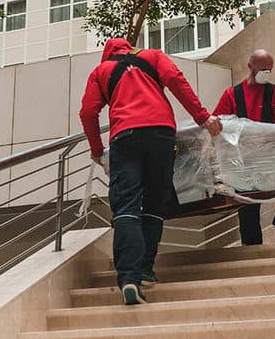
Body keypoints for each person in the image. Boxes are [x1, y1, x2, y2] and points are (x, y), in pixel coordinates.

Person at [80, 38, 222, 305]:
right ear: (129, 46)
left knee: (126, 207)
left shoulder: (101, 72)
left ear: (107, 54)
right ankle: (145, 270)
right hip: (161, 135)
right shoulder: (153, 56)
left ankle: (129, 278)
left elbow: (88, 112)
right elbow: (178, 82)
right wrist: (202, 117)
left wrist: (97, 150)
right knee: (155, 203)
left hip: (125, 138)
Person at [212, 48, 275, 244]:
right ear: (250, 66)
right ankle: (251, 245)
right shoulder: (232, 94)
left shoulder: (274, 91)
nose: (265, 73)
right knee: (246, 200)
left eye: (269, 70)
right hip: (243, 158)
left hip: (271, 153)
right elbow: (219, 119)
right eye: (262, 69)